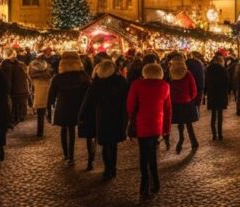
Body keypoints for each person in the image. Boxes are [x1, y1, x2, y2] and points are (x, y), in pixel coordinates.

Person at [126, 62, 170, 199]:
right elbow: (168, 109)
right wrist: (166, 129)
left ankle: (144, 184)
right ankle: (155, 182)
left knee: (143, 155)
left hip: (142, 124)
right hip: (157, 124)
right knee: (152, 154)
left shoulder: (137, 85)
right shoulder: (165, 86)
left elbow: (130, 106)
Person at [78, 59, 128, 180]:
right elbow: (127, 98)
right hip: (118, 115)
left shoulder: (97, 82)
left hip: (102, 116)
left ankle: (107, 169)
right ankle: (113, 167)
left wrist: (82, 115)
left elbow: (88, 101)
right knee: (113, 144)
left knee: (106, 144)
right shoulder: (121, 81)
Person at [48, 51, 91, 167]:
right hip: (79, 106)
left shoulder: (59, 77)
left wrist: (49, 109)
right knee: (74, 130)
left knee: (65, 129)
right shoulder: (83, 75)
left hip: (63, 106)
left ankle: (67, 155)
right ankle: (80, 157)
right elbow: (90, 91)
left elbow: (51, 95)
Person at [168, 57, 199, 153]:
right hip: (186, 102)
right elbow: (193, 89)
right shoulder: (188, 74)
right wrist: (191, 98)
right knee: (189, 123)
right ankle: (193, 141)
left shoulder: (170, 75)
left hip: (175, 103)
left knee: (180, 123)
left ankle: (181, 139)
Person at [204, 54, 229, 140]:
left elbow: (206, 82)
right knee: (220, 115)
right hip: (221, 94)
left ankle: (214, 134)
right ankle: (220, 133)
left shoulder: (209, 69)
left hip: (212, 94)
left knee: (213, 115)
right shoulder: (223, 70)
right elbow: (227, 82)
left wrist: (206, 93)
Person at [2, 49, 30, 126]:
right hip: (23, 89)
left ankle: (15, 119)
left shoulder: (6, 65)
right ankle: (20, 117)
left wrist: (7, 91)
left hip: (16, 90)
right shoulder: (21, 64)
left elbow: (8, 80)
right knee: (20, 105)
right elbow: (26, 77)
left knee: (14, 105)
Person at [28, 57, 53, 137]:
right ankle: (42, 128)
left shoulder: (33, 72)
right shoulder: (47, 71)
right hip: (46, 93)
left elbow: (31, 77)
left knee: (40, 113)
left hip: (38, 95)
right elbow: (50, 75)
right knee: (44, 110)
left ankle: (40, 131)